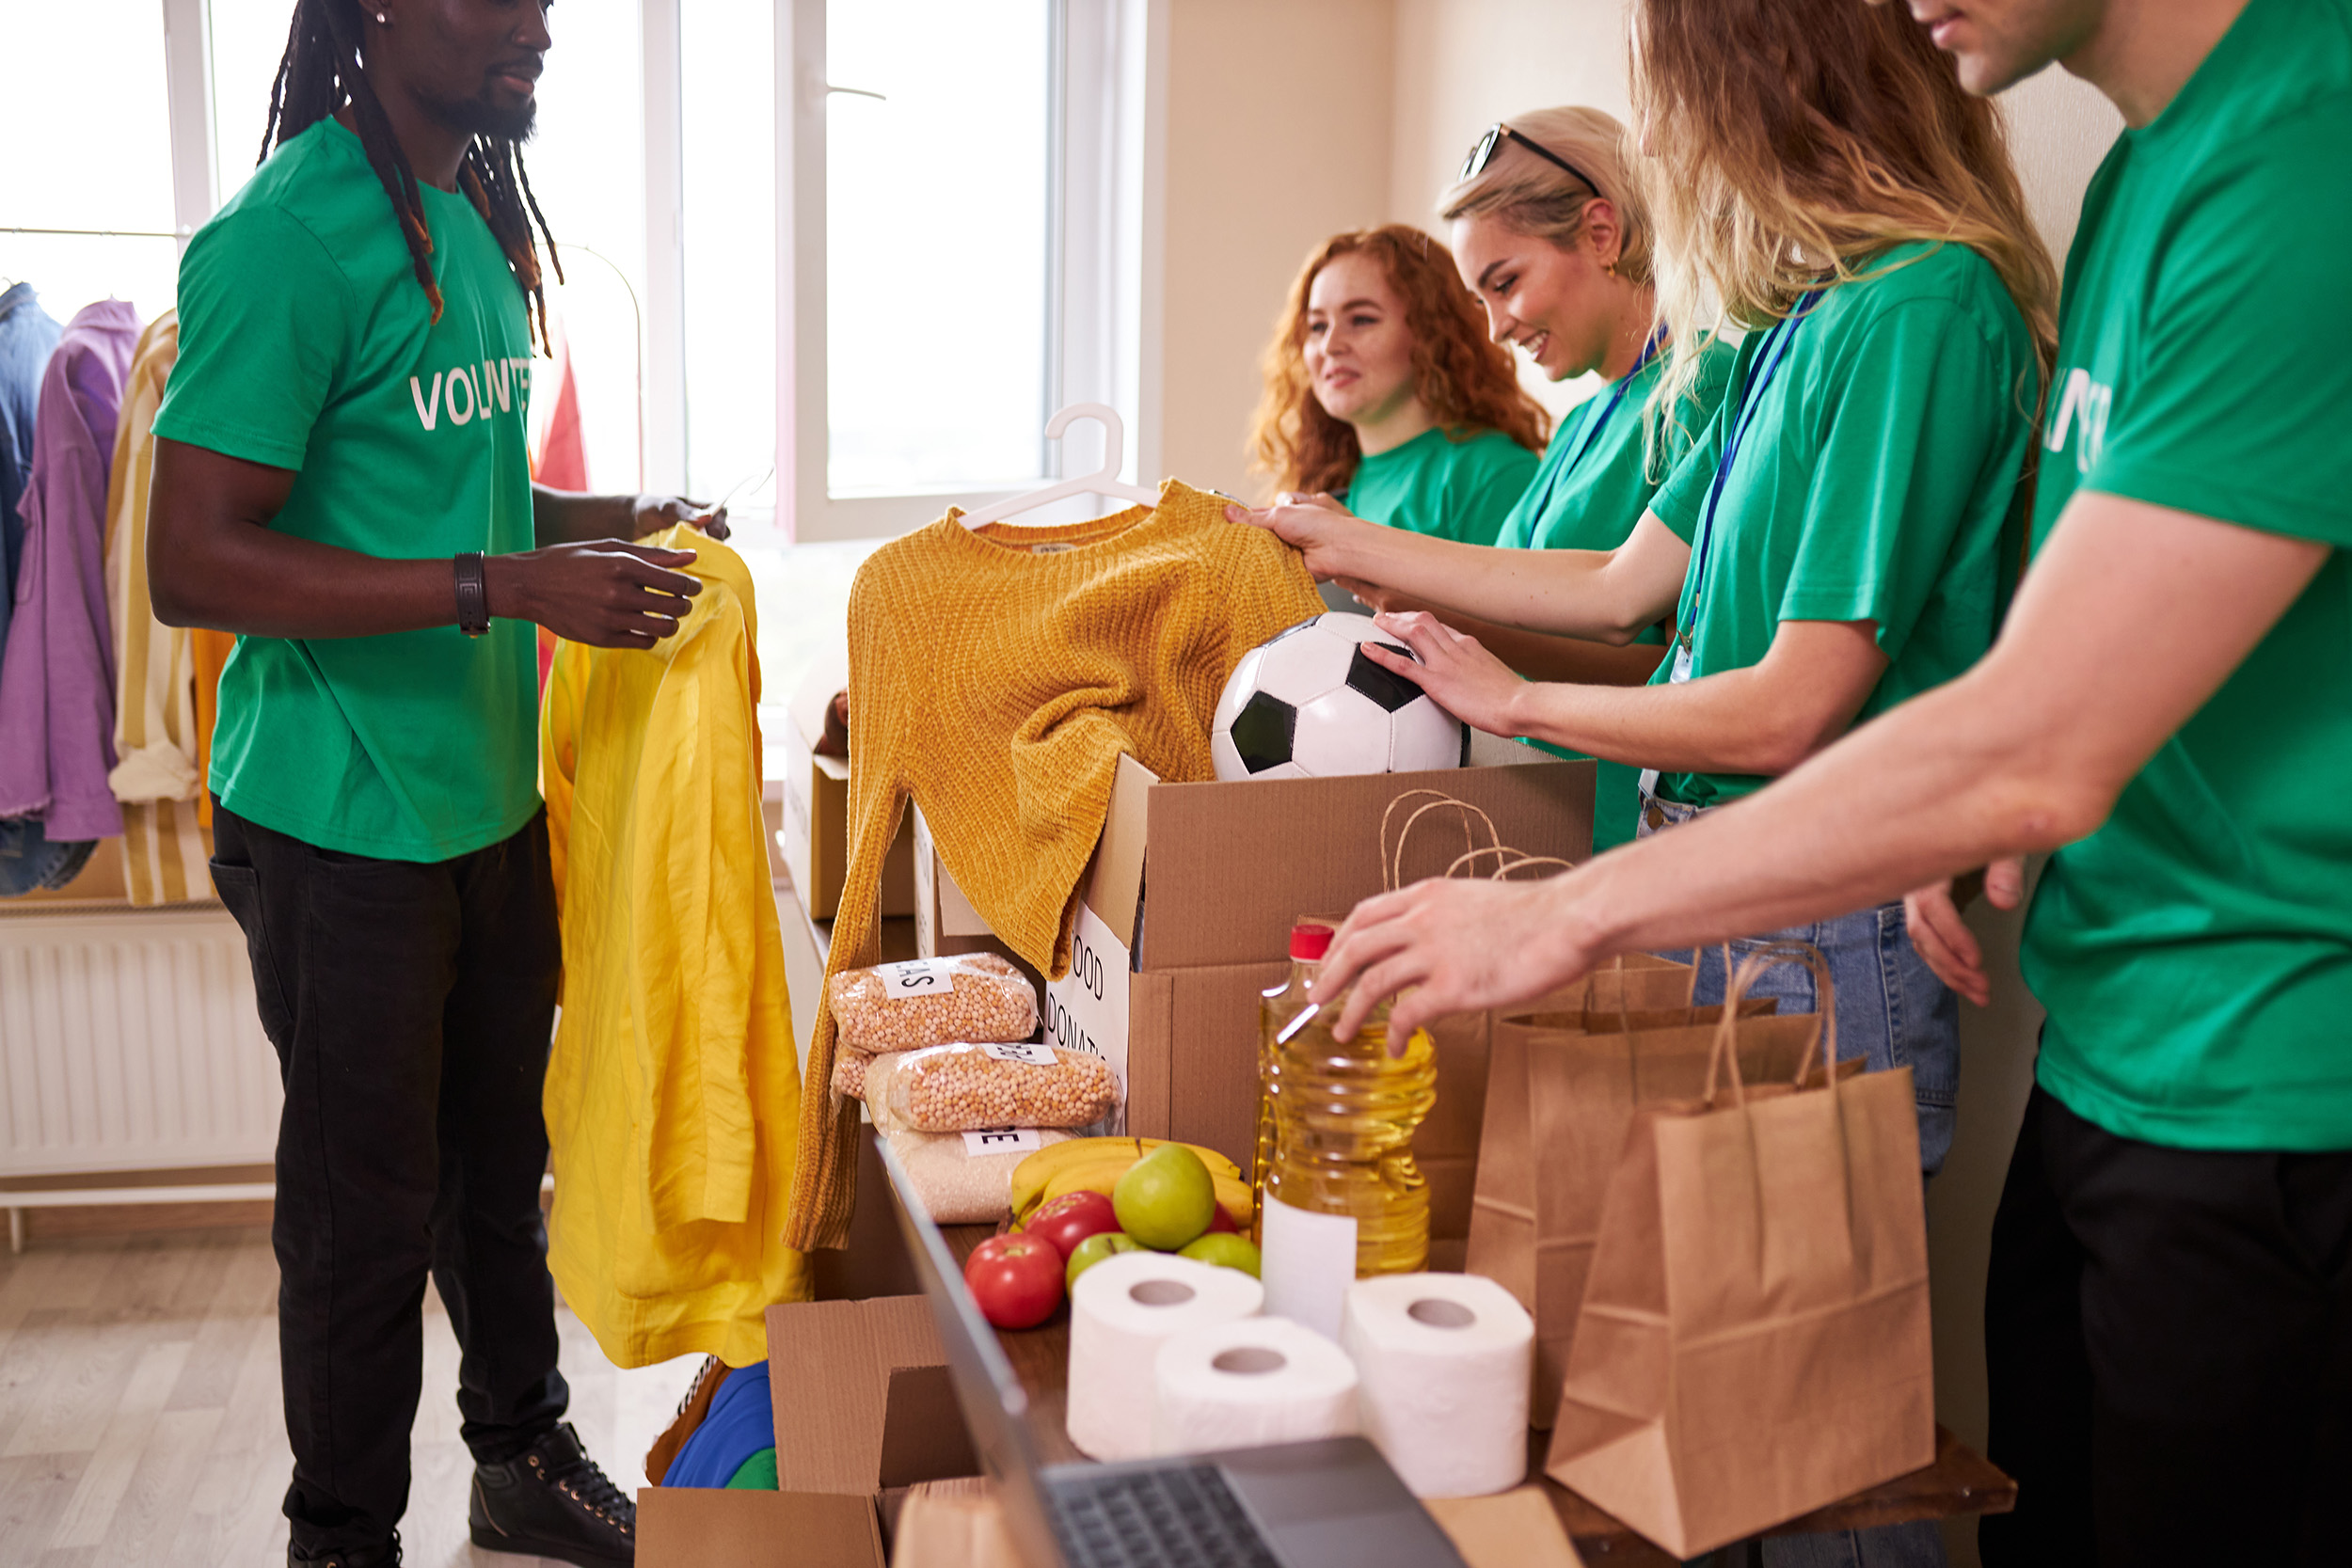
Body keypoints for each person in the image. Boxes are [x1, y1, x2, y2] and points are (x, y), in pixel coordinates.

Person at [1313, 0, 2351, 1560]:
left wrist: (1571, 897)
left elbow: (1875, 710)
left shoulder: (2202, 191)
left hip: (2243, 1059)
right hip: (2103, 1034)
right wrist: (1981, 803)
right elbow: (2052, 670)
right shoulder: (2125, 183)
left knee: (1822, 1452)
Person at [146, 3, 720, 1564]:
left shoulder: (468, 219)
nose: (531, 21)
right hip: (337, 821)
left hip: (481, 800)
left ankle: (520, 1452)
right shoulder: (284, 242)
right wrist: (509, 589)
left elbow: (445, 487)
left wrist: (609, 517)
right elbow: (193, 560)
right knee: (363, 1213)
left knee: (492, 1170)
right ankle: (341, 1535)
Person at [1240, 105, 1738, 849]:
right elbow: (1526, 621)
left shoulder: (1703, 393)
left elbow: (1666, 667)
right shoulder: (1580, 427)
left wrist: (1405, 590)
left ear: (1602, 234)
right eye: (1481, 300)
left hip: (1620, 828)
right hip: (1528, 817)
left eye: (1505, 283)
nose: (1497, 326)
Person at [1248, 224, 1545, 548]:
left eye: (1361, 320)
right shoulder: (1323, 487)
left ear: (1432, 332)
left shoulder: (1492, 474)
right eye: (1317, 326)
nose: (1330, 345)